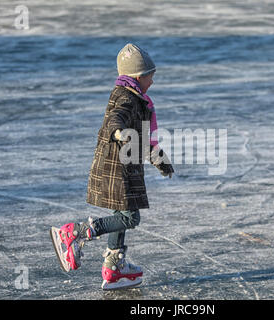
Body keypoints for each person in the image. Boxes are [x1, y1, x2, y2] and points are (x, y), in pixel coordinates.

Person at [50, 43, 174, 290]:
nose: (153, 81)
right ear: (139, 76)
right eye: (151, 76)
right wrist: (118, 133)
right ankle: (76, 232)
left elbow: (144, 137)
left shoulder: (138, 98)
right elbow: (115, 118)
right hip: (118, 167)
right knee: (130, 217)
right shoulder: (126, 96)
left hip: (124, 165)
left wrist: (159, 160)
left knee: (121, 213)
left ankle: (113, 266)